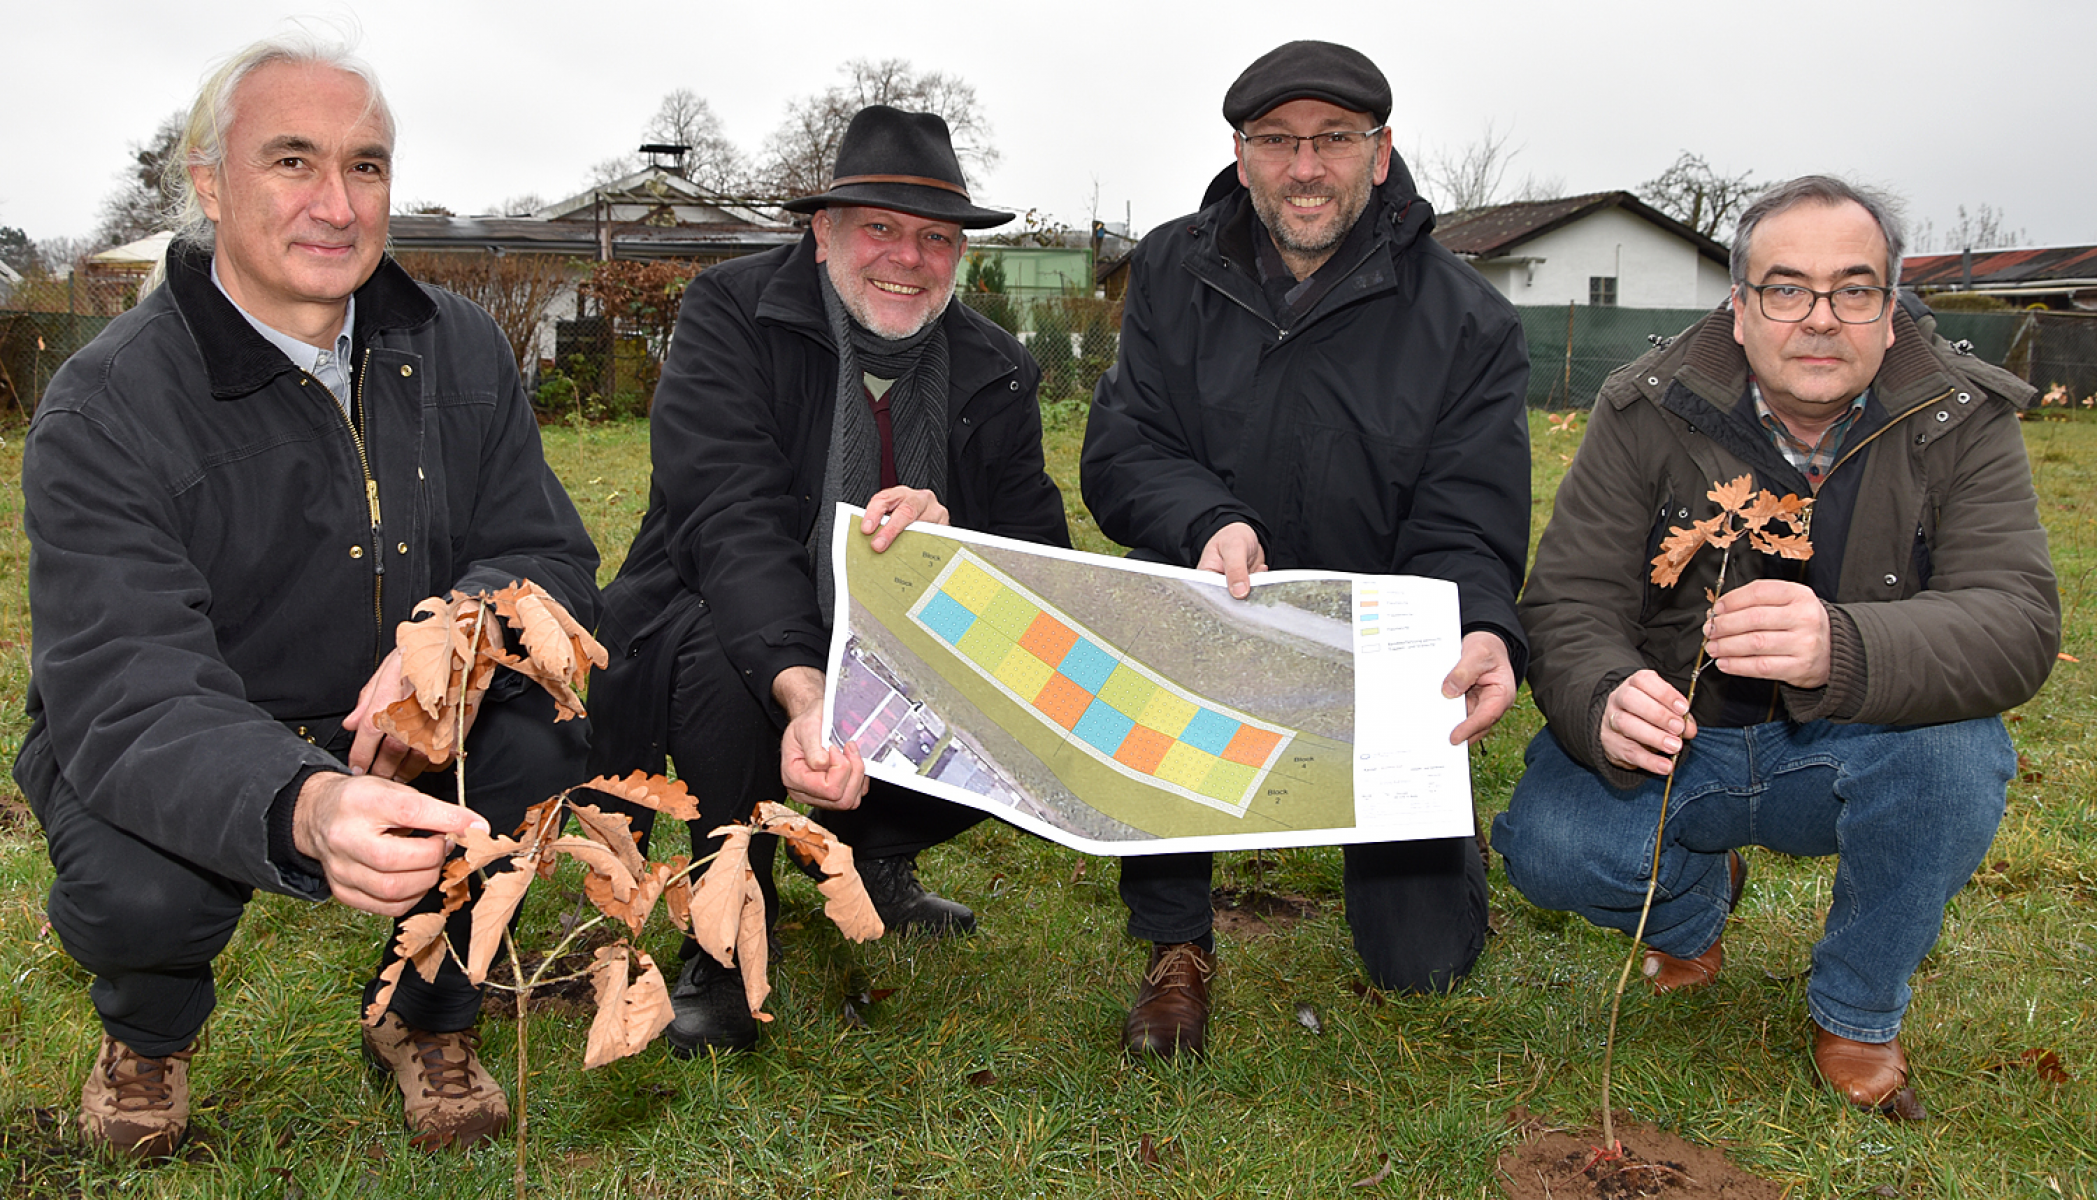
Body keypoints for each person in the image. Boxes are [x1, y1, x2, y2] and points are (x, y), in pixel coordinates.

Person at [15, 37, 601, 1158]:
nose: (337, 204)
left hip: (406, 713)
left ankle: (428, 1014)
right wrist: (302, 797)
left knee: (537, 754)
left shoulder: (459, 349)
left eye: (367, 166)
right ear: (209, 182)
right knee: (142, 887)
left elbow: (547, 558)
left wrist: (457, 644)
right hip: (191, 725)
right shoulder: (108, 404)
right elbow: (128, 684)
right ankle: (147, 1032)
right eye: (293, 162)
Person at [1492, 176, 2059, 1116]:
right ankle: (1692, 905)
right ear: (1740, 307)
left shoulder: (1961, 415)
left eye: (1853, 289)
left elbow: (2017, 619)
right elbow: (1567, 600)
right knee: (1553, 845)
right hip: (1683, 742)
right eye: (1786, 289)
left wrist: (1841, 645)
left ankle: (1858, 1008)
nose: (1820, 319)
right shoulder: (1645, 408)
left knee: (1957, 763)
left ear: (1889, 307)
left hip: (1864, 737)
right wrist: (1602, 695)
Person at [586, 105, 1069, 1059]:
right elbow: (727, 520)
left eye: (935, 237)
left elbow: (1037, 555)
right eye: (879, 227)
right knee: (731, 662)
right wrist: (805, 685)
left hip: (895, 629)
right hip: (725, 611)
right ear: (823, 230)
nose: (908, 257)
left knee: (1020, 682)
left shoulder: (995, 366)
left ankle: (874, 858)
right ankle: (725, 927)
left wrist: (955, 541)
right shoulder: (731, 313)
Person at [1079, 40, 1531, 1057]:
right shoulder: (1168, 269)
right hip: (1211, 614)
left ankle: (1427, 851)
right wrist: (1203, 519)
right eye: (1277, 141)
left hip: (1376, 652)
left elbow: (1469, 518)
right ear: (1241, 158)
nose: (1306, 166)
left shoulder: (1468, 323)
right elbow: (1122, 450)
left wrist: (1487, 627)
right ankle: (1175, 937)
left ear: (1381, 151)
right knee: (1161, 626)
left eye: (1334, 138)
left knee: (1422, 968)